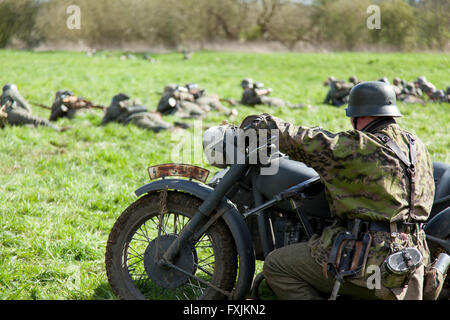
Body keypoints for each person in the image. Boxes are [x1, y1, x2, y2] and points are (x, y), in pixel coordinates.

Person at [257, 81, 435, 300]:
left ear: (357, 116)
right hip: (414, 261)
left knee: (277, 265)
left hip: (372, 261)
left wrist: (267, 125)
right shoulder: (416, 144)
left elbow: (307, 142)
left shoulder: (360, 145)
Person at [102, 93, 182, 132]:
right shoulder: (133, 102)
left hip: (135, 118)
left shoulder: (114, 108)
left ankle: (169, 129)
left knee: (152, 127)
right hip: (147, 114)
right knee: (162, 123)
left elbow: (103, 123)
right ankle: (176, 128)